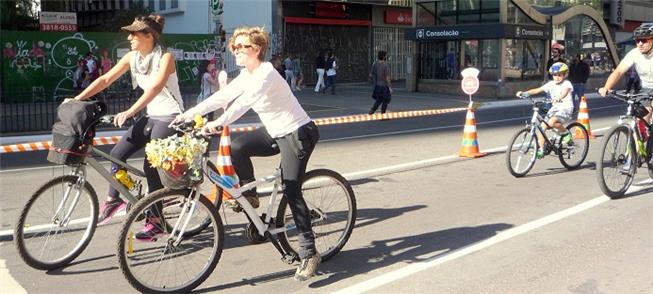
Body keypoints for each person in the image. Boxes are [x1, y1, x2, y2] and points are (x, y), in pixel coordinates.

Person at [172, 26, 321, 281]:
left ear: (257, 49)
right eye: (235, 47)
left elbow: (244, 102)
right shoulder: (245, 74)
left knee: (291, 188)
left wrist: (219, 123)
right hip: (274, 132)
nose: (237, 51)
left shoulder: (266, 73)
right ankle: (250, 196)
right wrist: (188, 114)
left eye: (243, 47)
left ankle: (309, 253)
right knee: (237, 148)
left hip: (297, 133)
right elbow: (223, 96)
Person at [67, 15, 184, 239]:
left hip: (171, 117)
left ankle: (156, 220)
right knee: (116, 154)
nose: (129, 37)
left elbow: (156, 88)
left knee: (152, 166)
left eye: (134, 33)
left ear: (149, 36)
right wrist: (77, 99)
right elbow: (105, 80)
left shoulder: (166, 58)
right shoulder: (133, 57)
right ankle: (114, 199)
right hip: (152, 115)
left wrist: (130, 111)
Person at [516, 62, 574, 159]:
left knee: (551, 122)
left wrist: (559, 97)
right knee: (542, 127)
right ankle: (541, 150)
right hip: (555, 108)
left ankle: (566, 133)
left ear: (565, 75)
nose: (557, 77)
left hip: (565, 108)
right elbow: (537, 90)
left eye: (559, 75)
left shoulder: (567, 83)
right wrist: (525, 93)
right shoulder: (551, 84)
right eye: (555, 75)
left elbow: (565, 92)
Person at [599, 23, 653, 125]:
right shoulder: (634, 53)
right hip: (645, 89)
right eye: (637, 40)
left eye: (644, 40)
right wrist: (606, 87)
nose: (640, 43)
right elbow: (619, 71)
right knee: (642, 123)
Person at [368, 50, 393, 115]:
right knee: (385, 100)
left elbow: (370, 74)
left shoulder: (375, 64)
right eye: (386, 56)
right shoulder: (385, 66)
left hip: (377, 85)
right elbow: (387, 77)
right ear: (384, 57)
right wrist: (390, 87)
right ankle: (383, 113)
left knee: (379, 99)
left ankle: (372, 110)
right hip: (384, 86)